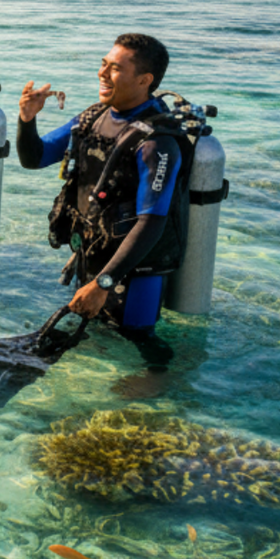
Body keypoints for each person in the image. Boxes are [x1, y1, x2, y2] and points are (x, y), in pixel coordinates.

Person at [16, 33, 185, 361]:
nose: (102, 74)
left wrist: (104, 283)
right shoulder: (92, 118)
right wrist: (27, 119)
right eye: (103, 64)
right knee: (103, 346)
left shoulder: (156, 142)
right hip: (94, 258)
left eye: (115, 68)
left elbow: (152, 222)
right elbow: (34, 158)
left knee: (137, 348)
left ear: (144, 80)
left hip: (136, 274)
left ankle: (157, 399)